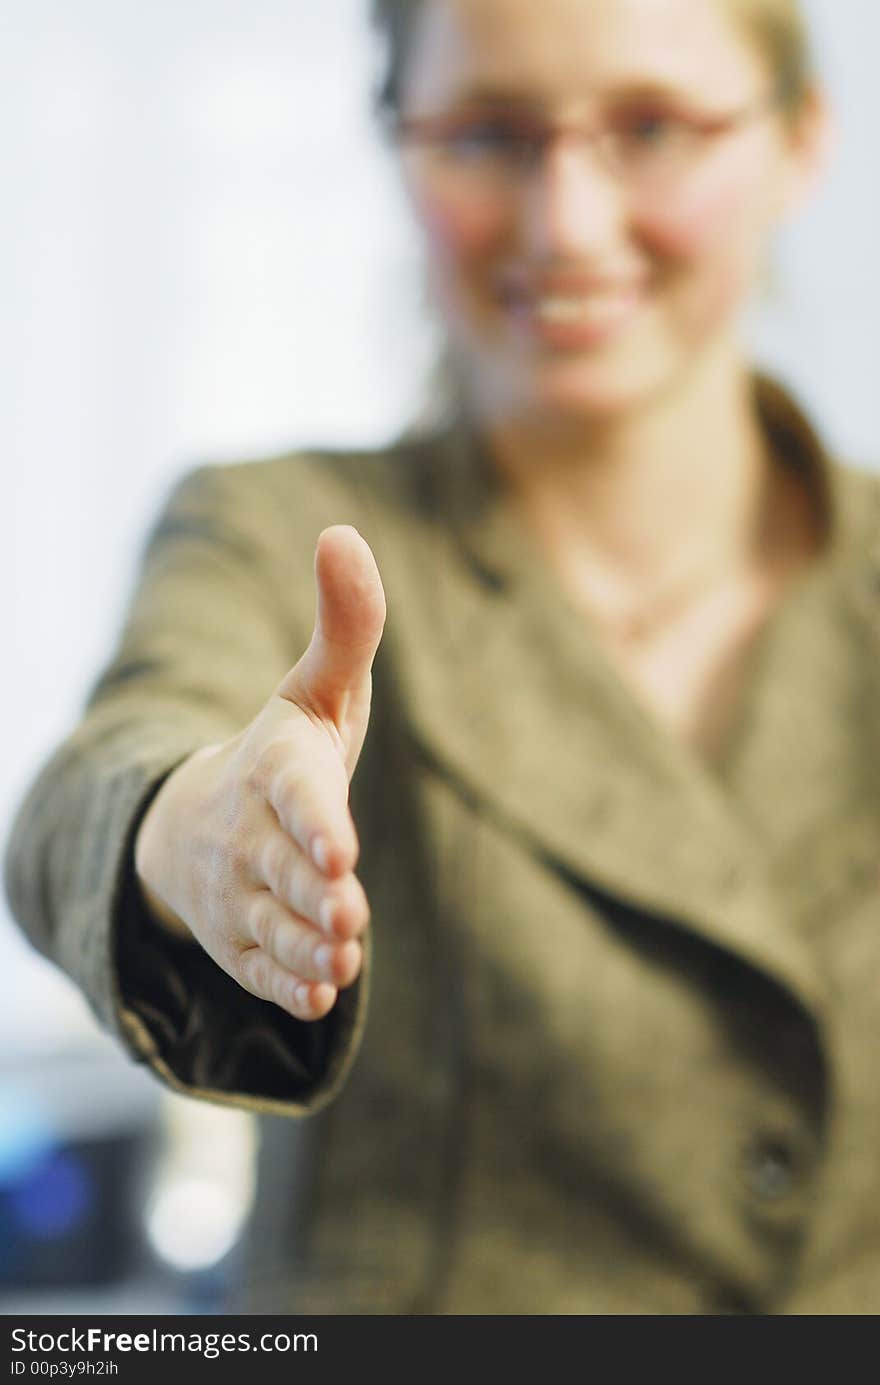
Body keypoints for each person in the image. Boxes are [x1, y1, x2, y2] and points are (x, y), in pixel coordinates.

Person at [6, 0, 880, 1314]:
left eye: (649, 127)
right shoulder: (277, 529)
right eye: (486, 134)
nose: (567, 222)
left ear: (798, 137)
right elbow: (109, 767)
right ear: (397, 142)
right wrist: (195, 830)